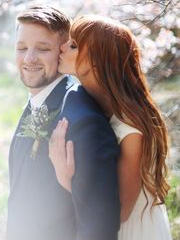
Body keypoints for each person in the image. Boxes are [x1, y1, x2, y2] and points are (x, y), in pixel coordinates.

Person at [49, 15, 172, 240]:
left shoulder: (131, 129)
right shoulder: (94, 103)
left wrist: (65, 177)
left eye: (73, 45)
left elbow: (121, 212)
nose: (63, 47)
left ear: (96, 61)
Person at [6, 6, 120, 240]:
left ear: (62, 52)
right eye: (21, 48)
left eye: (43, 49)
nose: (29, 58)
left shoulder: (84, 122)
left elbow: (98, 228)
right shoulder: (38, 99)